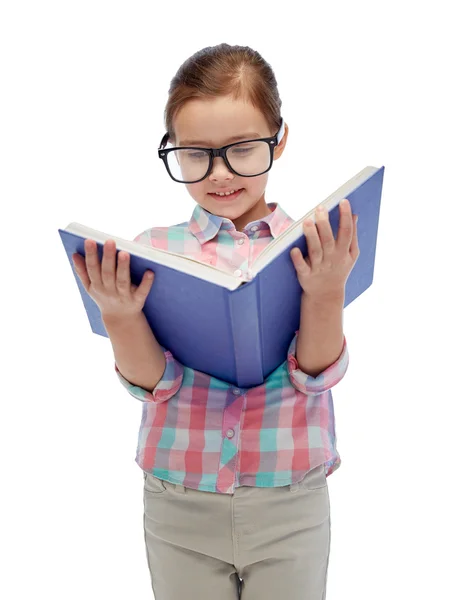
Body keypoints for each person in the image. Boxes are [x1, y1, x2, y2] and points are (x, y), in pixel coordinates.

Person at [72, 43, 359, 600]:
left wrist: (325, 293)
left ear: (279, 141)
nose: (220, 174)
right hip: (179, 503)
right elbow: (154, 385)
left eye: (242, 150)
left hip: (291, 502)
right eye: (195, 154)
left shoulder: (311, 245)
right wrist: (120, 316)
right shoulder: (154, 252)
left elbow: (316, 372)